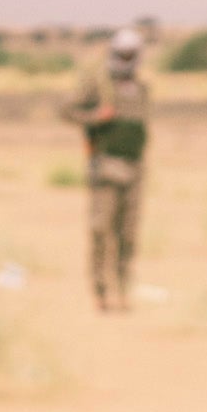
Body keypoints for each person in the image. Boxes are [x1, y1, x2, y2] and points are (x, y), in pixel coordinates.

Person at [66, 26, 153, 312]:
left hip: (135, 169)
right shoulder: (99, 86)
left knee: (128, 234)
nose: (127, 60)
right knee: (101, 230)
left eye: (131, 55)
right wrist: (96, 117)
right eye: (123, 54)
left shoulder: (142, 88)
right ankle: (101, 291)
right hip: (105, 166)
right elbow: (68, 111)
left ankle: (123, 289)